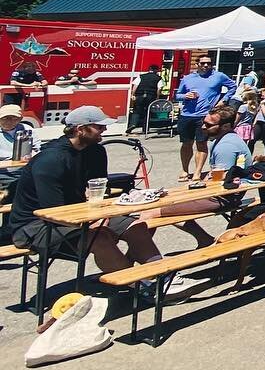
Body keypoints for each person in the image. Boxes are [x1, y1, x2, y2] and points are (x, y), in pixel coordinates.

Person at [1, 107, 191, 301]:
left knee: (136, 226)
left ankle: (162, 276)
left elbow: (99, 190)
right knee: (99, 237)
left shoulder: (96, 151)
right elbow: (54, 211)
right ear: (80, 129)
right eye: (99, 127)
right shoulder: (51, 160)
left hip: (80, 213)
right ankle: (144, 286)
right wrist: (92, 222)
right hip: (35, 226)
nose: (104, 130)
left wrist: (104, 214)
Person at [146, 105, 255, 254]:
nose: (203, 127)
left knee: (151, 212)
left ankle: (140, 263)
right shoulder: (228, 138)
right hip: (225, 195)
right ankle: (204, 239)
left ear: (226, 126)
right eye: (204, 122)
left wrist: (194, 188)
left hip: (221, 198)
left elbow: (221, 182)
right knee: (167, 203)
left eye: (209, 125)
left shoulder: (226, 146)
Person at [175, 54, 236, 183]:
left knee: (201, 143)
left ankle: (197, 172)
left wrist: (224, 100)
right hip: (187, 114)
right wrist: (186, 95)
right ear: (197, 64)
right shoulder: (188, 78)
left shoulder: (218, 76)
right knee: (186, 143)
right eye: (203, 63)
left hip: (205, 115)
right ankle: (184, 170)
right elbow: (177, 95)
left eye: (208, 63)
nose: (206, 65)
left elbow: (233, 86)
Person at [127, 64, 163, 133]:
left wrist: (132, 94)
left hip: (139, 96)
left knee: (136, 110)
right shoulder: (158, 78)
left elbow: (135, 86)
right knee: (148, 112)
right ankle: (145, 128)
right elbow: (159, 89)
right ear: (156, 70)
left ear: (149, 69)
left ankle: (133, 124)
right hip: (151, 96)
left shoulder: (141, 76)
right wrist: (157, 98)